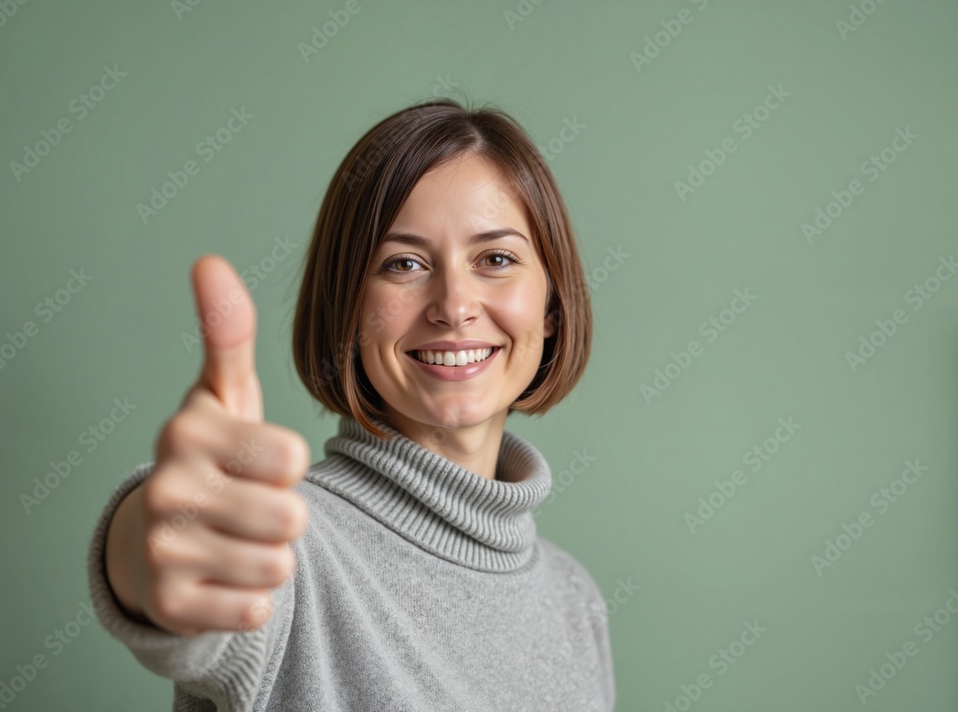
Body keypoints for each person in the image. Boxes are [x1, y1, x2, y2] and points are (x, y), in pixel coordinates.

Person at [88, 98, 615, 711]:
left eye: (495, 259)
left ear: (550, 308)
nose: (454, 304)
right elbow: (179, 565)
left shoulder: (577, 599)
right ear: (349, 311)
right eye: (404, 264)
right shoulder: (284, 544)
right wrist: (151, 537)